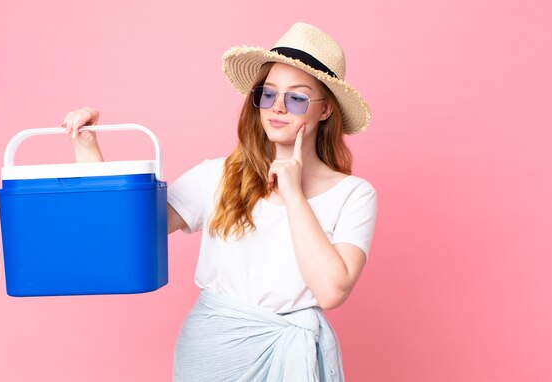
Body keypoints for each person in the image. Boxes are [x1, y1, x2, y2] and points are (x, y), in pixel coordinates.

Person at [61, 22, 377, 381]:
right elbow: (124, 231)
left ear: (325, 110)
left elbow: (332, 289)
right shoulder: (217, 175)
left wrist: (292, 193)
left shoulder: (354, 194)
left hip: (291, 352)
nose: (278, 108)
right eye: (268, 94)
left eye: (297, 98)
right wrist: (86, 144)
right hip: (212, 354)